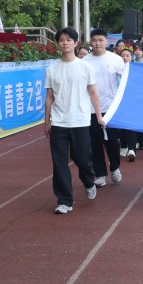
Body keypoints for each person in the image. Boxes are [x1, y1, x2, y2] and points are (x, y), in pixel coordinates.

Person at [44, 27, 104, 214]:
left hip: (80, 120)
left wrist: (99, 116)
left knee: (82, 159)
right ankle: (64, 200)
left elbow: (93, 93)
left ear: (76, 43)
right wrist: (47, 122)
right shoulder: (52, 69)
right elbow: (49, 97)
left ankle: (88, 180)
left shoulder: (85, 67)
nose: (65, 43)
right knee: (59, 163)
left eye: (69, 40)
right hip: (59, 122)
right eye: (62, 40)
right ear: (58, 43)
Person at [82, 28, 125, 186]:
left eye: (101, 40)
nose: (97, 43)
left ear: (106, 41)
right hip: (91, 109)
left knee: (112, 141)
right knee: (95, 143)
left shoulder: (116, 59)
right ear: (90, 42)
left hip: (111, 108)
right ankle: (99, 174)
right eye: (94, 40)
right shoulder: (84, 62)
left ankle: (115, 167)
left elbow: (126, 79)